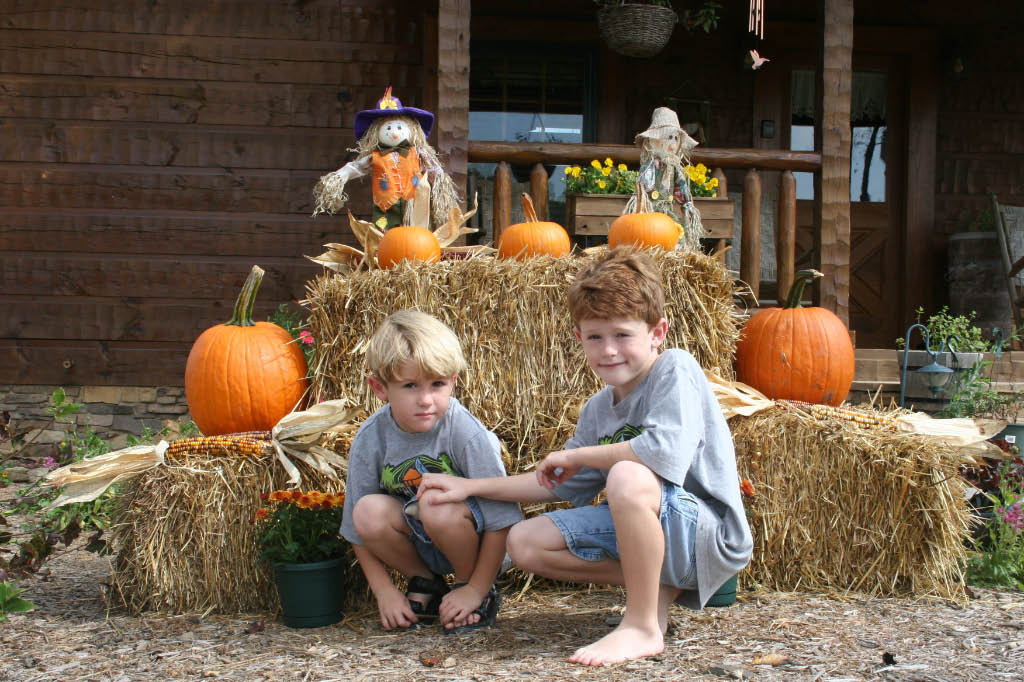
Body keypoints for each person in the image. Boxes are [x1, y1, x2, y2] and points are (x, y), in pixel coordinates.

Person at [418, 248, 753, 665]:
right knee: (524, 542)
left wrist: (586, 456)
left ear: (657, 331)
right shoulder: (598, 409)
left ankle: (642, 626)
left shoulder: (674, 369)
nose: (608, 350)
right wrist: (469, 486)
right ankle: (657, 593)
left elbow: (664, 454)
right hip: (660, 542)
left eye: (622, 335)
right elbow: (554, 480)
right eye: (595, 337)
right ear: (579, 338)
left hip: (707, 536)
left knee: (627, 477)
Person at [340, 309, 522, 632]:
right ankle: (427, 582)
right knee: (366, 511)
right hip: (423, 540)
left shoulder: (464, 432)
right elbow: (356, 531)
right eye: (410, 386)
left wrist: (475, 587)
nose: (425, 400)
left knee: (434, 503)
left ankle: (472, 592)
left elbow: (503, 519)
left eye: (437, 384)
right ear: (380, 388)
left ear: (453, 381)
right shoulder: (371, 438)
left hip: (478, 546)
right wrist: (384, 591)